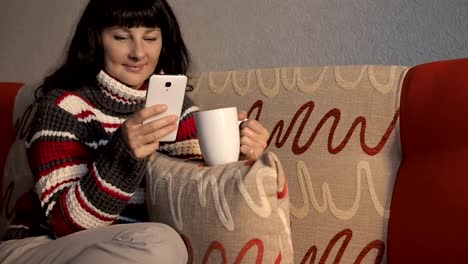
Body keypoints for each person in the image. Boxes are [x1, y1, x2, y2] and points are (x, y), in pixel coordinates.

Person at [0, 0, 270, 263]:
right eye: (121, 37)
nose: (138, 53)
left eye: (150, 38)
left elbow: (201, 157)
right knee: (161, 243)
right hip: (39, 246)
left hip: (127, 245)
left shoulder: (170, 103)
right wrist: (123, 154)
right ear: (96, 40)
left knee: (162, 244)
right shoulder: (62, 107)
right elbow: (64, 226)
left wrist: (243, 145)